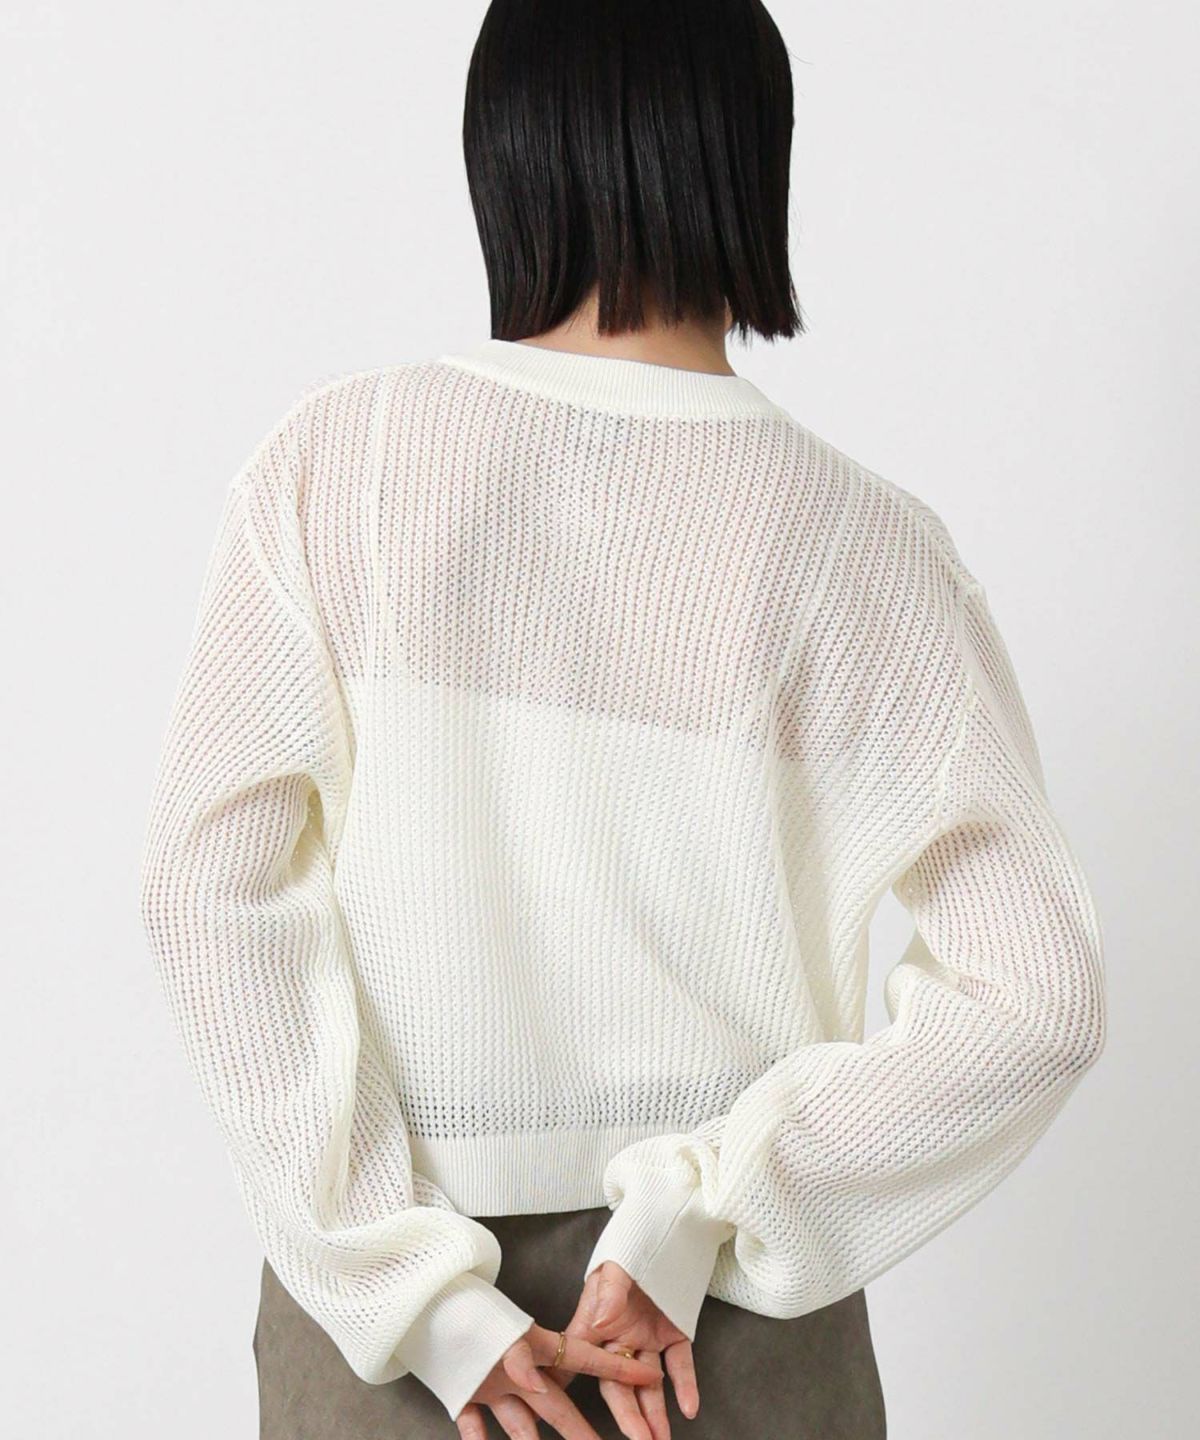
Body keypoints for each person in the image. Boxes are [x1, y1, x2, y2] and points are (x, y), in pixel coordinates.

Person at [137, 2, 1108, 1437]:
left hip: (392, 1340)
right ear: (751, 161)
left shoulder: (341, 468)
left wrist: (419, 1301)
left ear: (507, 158)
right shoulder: (872, 549)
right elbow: (1040, 995)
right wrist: (695, 1211)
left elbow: (206, 896)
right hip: (721, 1333)